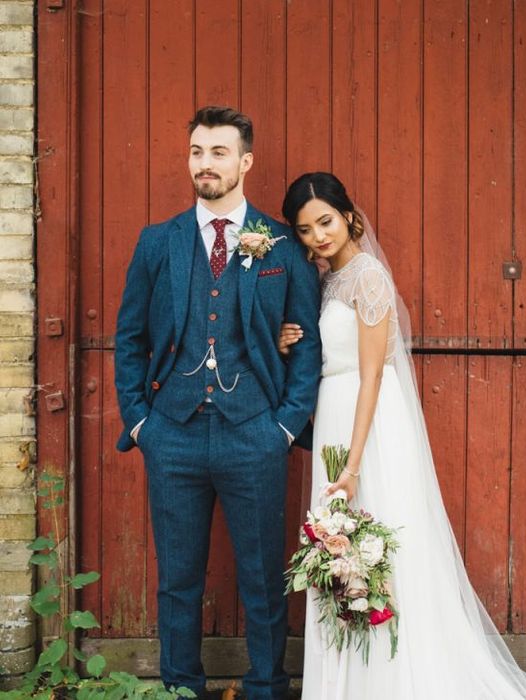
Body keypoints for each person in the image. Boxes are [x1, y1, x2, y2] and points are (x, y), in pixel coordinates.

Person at [279, 172, 526, 700]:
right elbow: (327, 356)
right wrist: (288, 342)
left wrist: (351, 465)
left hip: (366, 424)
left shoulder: (368, 278)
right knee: (338, 548)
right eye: (304, 230)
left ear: (348, 216)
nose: (317, 236)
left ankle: (390, 681)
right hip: (333, 414)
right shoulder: (328, 282)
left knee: (377, 541)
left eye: (324, 222)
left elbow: (372, 374)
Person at [114, 106, 322, 700]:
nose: (205, 164)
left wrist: (284, 426)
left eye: (219, 153)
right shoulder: (158, 243)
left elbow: (306, 343)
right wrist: (141, 421)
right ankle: (181, 688)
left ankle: (265, 687)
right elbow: (130, 339)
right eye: (197, 152)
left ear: (245, 161)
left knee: (261, 578)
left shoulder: (280, 245)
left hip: (255, 433)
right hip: (172, 434)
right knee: (178, 579)